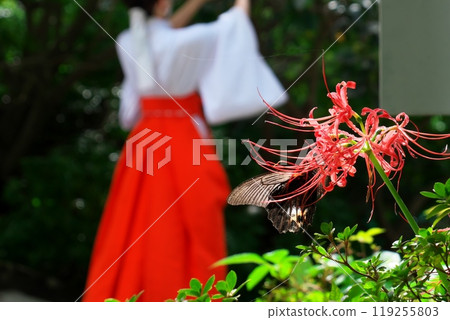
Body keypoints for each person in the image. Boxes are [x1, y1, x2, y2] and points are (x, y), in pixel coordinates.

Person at [82, 0, 287, 301]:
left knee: (135, 220)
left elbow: (161, 32)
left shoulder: (129, 40)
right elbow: (235, 26)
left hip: (145, 138)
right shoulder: (191, 40)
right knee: (191, 219)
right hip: (182, 138)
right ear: (163, 3)